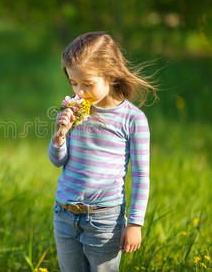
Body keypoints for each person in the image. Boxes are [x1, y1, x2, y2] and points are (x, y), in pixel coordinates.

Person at [48, 31, 158, 272]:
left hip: (103, 220)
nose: (78, 92)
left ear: (110, 75)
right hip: (64, 213)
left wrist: (135, 223)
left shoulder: (133, 120)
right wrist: (59, 136)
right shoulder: (77, 112)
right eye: (73, 83)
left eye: (87, 84)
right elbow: (59, 161)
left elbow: (140, 176)